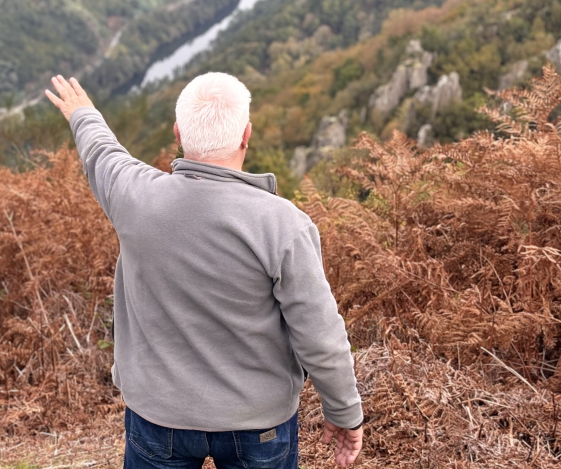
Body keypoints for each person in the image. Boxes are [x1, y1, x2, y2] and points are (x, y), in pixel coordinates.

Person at [45, 73, 364, 469]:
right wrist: (344, 412)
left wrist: (83, 113)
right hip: (259, 423)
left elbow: (102, 152)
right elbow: (320, 335)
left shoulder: (135, 197)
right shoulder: (284, 224)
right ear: (246, 135)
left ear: (178, 132)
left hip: (158, 418)